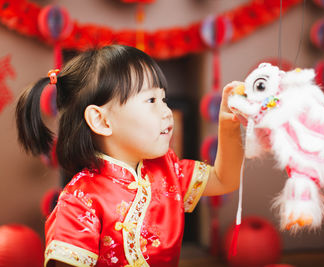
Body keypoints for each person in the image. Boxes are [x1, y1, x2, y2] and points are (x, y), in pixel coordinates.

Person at [15, 45, 243, 267]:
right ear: (101, 121)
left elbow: (225, 180)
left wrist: (229, 124)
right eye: (151, 101)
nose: (166, 112)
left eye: (163, 99)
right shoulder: (80, 201)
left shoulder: (167, 169)